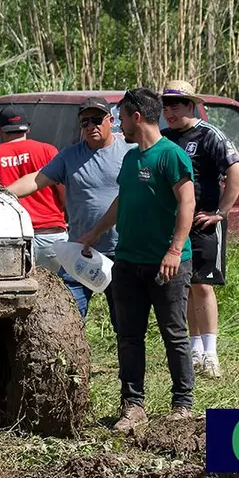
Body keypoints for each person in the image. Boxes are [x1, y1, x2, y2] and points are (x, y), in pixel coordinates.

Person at [78, 87, 196, 430]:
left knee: (173, 333)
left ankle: (182, 405)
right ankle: (133, 406)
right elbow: (122, 201)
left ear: (137, 117)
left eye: (122, 117)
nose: (119, 124)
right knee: (128, 336)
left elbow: (187, 203)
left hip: (166, 262)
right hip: (127, 263)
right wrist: (94, 232)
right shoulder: (130, 158)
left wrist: (174, 250)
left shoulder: (171, 155)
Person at [5, 97, 134, 319]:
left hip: (120, 250)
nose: (91, 126)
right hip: (81, 250)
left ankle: (127, 354)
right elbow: (37, 179)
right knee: (68, 316)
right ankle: (67, 354)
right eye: (85, 122)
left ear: (110, 120)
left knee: (125, 323)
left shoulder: (130, 152)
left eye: (97, 120)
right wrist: (3, 195)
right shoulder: (69, 155)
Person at [161, 79, 239, 379]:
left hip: (204, 222)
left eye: (175, 104)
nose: (169, 111)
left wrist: (220, 212)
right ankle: (195, 350)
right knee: (185, 286)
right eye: (165, 105)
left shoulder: (209, 135)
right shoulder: (165, 137)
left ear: (190, 105)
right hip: (176, 225)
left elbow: (237, 171)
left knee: (203, 285)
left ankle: (211, 354)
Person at [0, 106, 69, 272]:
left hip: (12, 237)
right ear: (28, 127)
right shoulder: (48, 151)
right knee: (55, 293)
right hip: (51, 236)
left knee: (16, 292)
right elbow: (64, 192)